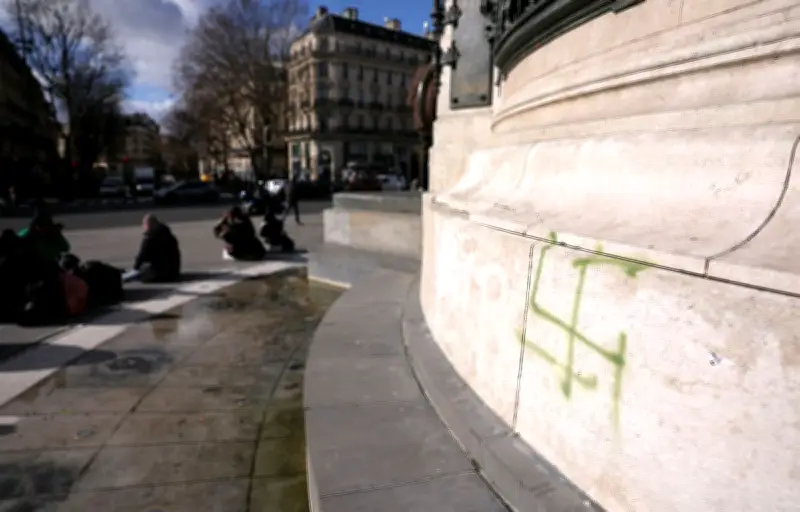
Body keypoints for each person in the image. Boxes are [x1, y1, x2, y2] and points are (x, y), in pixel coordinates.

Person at [133, 214, 181, 282]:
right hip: (174, 271)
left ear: (147, 225)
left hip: (160, 274)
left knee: (142, 270)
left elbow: (142, 256)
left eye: (144, 224)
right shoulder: (170, 236)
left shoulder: (150, 238)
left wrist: (135, 268)